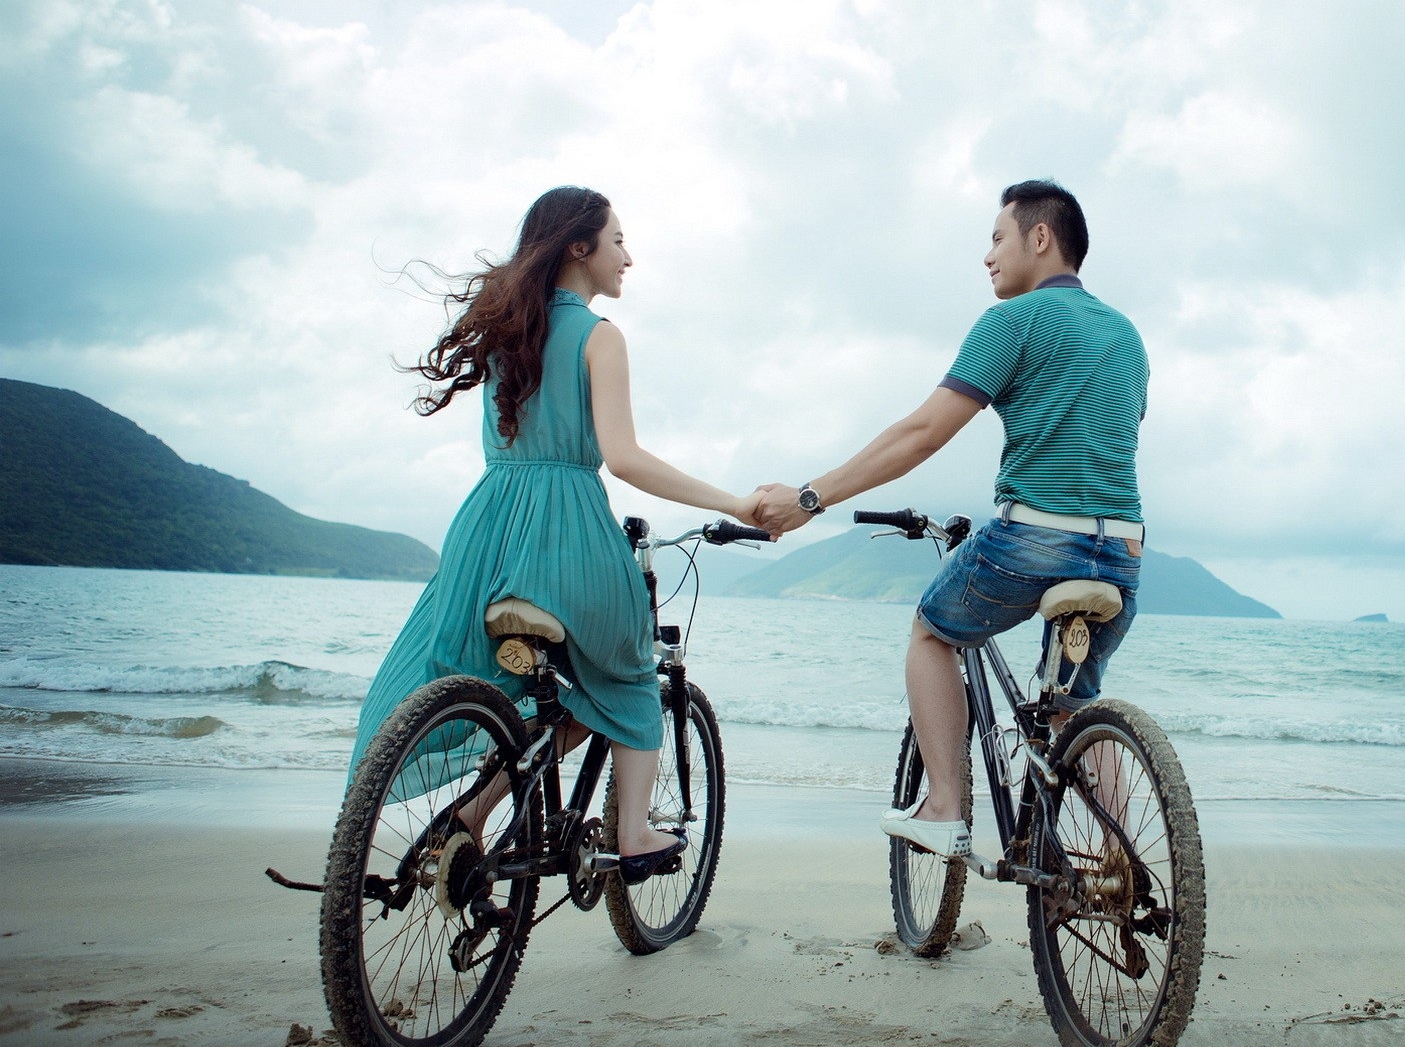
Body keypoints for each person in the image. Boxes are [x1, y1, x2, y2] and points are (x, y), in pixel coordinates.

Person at [349, 186, 763, 884]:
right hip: (568, 528)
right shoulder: (600, 337)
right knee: (629, 676)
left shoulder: (506, 333)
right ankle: (631, 833)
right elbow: (625, 458)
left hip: (488, 531)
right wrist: (736, 502)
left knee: (541, 692)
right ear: (581, 247)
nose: (628, 256)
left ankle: (473, 814)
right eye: (618, 240)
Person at [756, 179, 1147, 858]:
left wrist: (811, 496)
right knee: (1073, 708)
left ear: (1041, 238)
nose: (988, 256)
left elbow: (922, 435)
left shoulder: (1012, 322)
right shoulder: (1127, 335)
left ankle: (942, 809)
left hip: (1033, 542)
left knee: (931, 632)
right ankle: (1124, 859)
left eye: (998, 238)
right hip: (1122, 554)